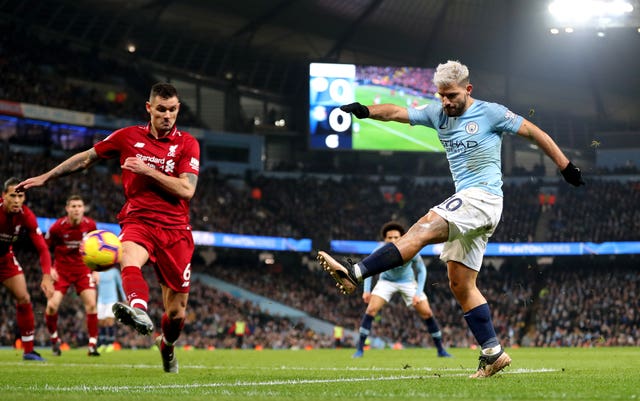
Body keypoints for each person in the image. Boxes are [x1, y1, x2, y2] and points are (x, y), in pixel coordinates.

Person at [317, 60, 584, 378]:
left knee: (421, 228)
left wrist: (565, 166)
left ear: (468, 90)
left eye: (452, 95)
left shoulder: (491, 112)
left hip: (482, 198)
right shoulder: (436, 113)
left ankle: (356, 271)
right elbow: (395, 112)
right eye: (441, 95)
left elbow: (534, 132)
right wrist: (364, 110)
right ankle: (492, 353)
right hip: (471, 206)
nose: (445, 102)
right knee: (460, 284)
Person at [16, 82, 201, 373]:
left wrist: (146, 170)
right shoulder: (128, 137)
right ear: (149, 108)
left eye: (172, 110)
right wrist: (47, 177)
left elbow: (186, 190)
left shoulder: (188, 143)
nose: (167, 115)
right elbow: (87, 157)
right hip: (138, 220)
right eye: (161, 109)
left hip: (176, 231)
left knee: (176, 314)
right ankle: (138, 309)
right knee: (127, 256)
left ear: (178, 109)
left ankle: (166, 344)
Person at [352, 221, 451, 359]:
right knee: (370, 310)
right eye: (389, 237)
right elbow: (368, 270)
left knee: (427, 313)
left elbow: (421, 270)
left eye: (396, 237)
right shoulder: (379, 252)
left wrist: (418, 293)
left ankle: (441, 350)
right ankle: (360, 349)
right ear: (385, 239)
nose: (392, 240)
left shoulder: (411, 249)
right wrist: (366, 290)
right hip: (386, 282)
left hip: (408, 283)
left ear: (401, 237)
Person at [0, 177, 54, 361]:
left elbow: (42, 248)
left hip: (5, 259)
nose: (16, 200)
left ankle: (29, 350)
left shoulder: (26, 215)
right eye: (12, 195)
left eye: (20, 196)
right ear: (3, 196)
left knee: (24, 297)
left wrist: (46, 275)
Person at [44, 195, 100, 356]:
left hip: (83, 270)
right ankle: (54, 340)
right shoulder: (57, 227)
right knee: (52, 306)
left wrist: (96, 270)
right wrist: (49, 269)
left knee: (91, 305)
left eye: (79, 206)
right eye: (73, 206)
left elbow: (99, 248)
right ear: (67, 209)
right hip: (61, 271)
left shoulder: (90, 225)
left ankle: (92, 345)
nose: (76, 209)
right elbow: (44, 248)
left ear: (84, 209)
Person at [96, 266, 126, 352]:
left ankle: (110, 343)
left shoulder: (114, 272)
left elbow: (120, 284)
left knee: (109, 322)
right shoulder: (98, 271)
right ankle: (102, 344)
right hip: (101, 300)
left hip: (112, 300)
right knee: (101, 323)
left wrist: (124, 298)